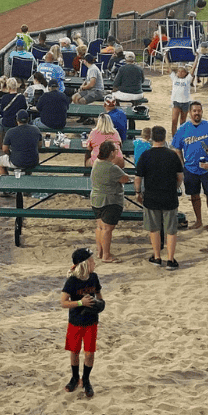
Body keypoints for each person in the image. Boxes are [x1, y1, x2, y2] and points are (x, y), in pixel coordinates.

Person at [134, 125, 184, 269]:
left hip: (151, 196)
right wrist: (175, 186)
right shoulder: (172, 155)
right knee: (171, 229)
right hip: (169, 195)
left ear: (151, 138)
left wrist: (138, 192)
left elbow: (138, 178)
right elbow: (179, 176)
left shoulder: (146, 155)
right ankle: (170, 259)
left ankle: (157, 256)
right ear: (164, 137)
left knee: (154, 228)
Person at [60, 247, 103, 399]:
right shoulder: (72, 281)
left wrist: (100, 302)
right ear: (84, 265)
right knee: (74, 351)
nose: (94, 264)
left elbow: (98, 294)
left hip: (91, 321)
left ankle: (86, 379)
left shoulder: (94, 277)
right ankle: (74, 378)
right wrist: (80, 303)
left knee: (90, 353)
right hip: (76, 321)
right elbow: (63, 302)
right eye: (92, 262)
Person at [171, 101, 208, 230]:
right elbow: (177, 148)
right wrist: (182, 164)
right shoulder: (183, 129)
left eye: (199, 110)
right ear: (190, 112)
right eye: (194, 111)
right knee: (194, 196)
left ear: (202, 112)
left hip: (207, 168)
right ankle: (198, 220)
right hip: (190, 168)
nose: (197, 113)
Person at [91, 141, 131, 262]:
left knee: (100, 227)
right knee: (107, 229)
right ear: (111, 153)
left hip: (96, 199)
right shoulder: (112, 167)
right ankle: (106, 255)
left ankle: (100, 252)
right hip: (110, 200)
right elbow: (125, 179)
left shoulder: (97, 163)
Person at [0, 110, 42, 179]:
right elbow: (39, 145)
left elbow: (4, 149)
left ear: (17, 120)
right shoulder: (36, 129)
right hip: (33, 161)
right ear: (28, 119)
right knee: (27, 160)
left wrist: (10, 154)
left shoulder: (10, 131)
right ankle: (26, 178)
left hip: (16, 161)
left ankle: (6, 182)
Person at [169, 61, 195, 137]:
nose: (180, 73)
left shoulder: (187, 79)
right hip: (176, 102)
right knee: (174, 120)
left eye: (182, 71)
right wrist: (165, 56)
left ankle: (181, 136)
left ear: (185, 73)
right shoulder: (174, 79)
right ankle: (174, 136)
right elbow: (169, 68)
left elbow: (193, 69)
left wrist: (197, 59)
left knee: (182, 121)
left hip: (185, 102)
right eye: (178, 71)